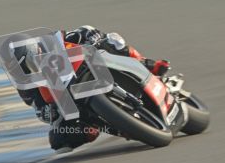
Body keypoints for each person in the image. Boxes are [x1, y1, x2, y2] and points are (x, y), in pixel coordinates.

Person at [16, 25, 170, 153]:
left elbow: (81, 32)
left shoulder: (55, 42)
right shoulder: (26, 87)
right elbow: (39, 109)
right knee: (59, 141)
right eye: (25, 69)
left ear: (37, 50)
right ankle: (110, 124)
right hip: (72, 100)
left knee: (113, 42)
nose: (31, 70)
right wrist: (47, 112)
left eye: (31, 63)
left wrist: (90, 35)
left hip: (89, 66)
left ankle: (148, 64)